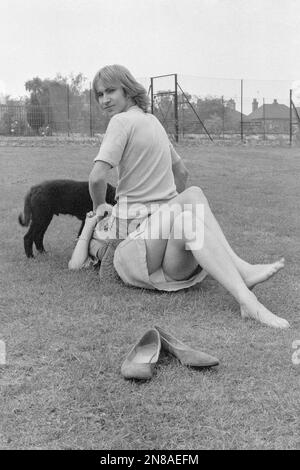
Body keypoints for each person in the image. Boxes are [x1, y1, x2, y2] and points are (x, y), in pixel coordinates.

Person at [68, 64, 290, 329]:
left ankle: (246, 298)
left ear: (127, 90)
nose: (104, 100)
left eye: (110, 91)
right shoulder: (153, 122)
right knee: (191, 196)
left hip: (154, 259)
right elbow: (181, 173)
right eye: (99, 94)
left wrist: (100, 205)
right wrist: (159, 210)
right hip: (135, 255)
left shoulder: (122, 121)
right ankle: (244, 280)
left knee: (186, 216)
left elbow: (96, 177)